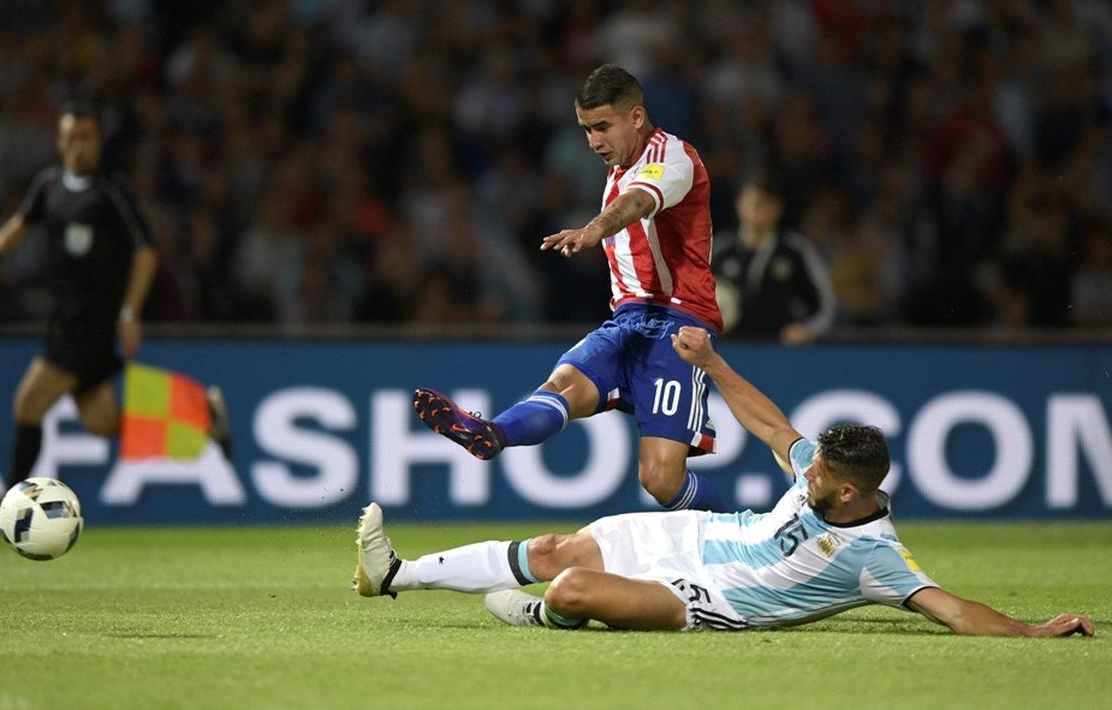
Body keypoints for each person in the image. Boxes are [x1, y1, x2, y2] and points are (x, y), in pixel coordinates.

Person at [353, 326, 1094, 637]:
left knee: (569, 590)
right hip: (705, 536)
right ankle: (392, 574)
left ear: (848, 493)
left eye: (819, 475)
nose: (805, 472)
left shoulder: (876, 556)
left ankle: (546, 621)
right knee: (555, 550)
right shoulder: (819, 470)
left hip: (714, 599)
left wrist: (1032, 629)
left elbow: (954, 611)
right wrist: (710, 365)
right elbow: (772, 427)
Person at [414, 64, 729, 513]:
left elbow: (638, 202)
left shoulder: (674, 158)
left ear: (636, 117)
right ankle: (491, 435)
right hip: (625, 322)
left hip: (676, 326)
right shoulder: (619, 166)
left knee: (660, 479)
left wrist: (595, 228)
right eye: (586, 129)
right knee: (561, 385)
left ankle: (739, 534)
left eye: (603, 127)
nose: (594, 141)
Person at [0, 100, 229, 527]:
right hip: (63, 317)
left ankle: (6, 509)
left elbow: (146, 253)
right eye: (71, 137)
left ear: (99, 141)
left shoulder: (111, 193)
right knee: (101, 422)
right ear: (59, 142)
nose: (79, 145)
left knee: (28, 402)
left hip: (92, 321)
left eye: (87, 136)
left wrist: (129, 312)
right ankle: (200, 416)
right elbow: (18, 227)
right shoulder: (48, 186)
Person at [710, 173, 835, 345]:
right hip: (727, 350)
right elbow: (692, 298)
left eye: (763, 204)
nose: (755, 209)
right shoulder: (720, 249)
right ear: (739, 204)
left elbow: (823, 305)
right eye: (750, 202)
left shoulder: (794, 250)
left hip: (779, 353)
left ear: (777, 208)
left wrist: (808, 329)